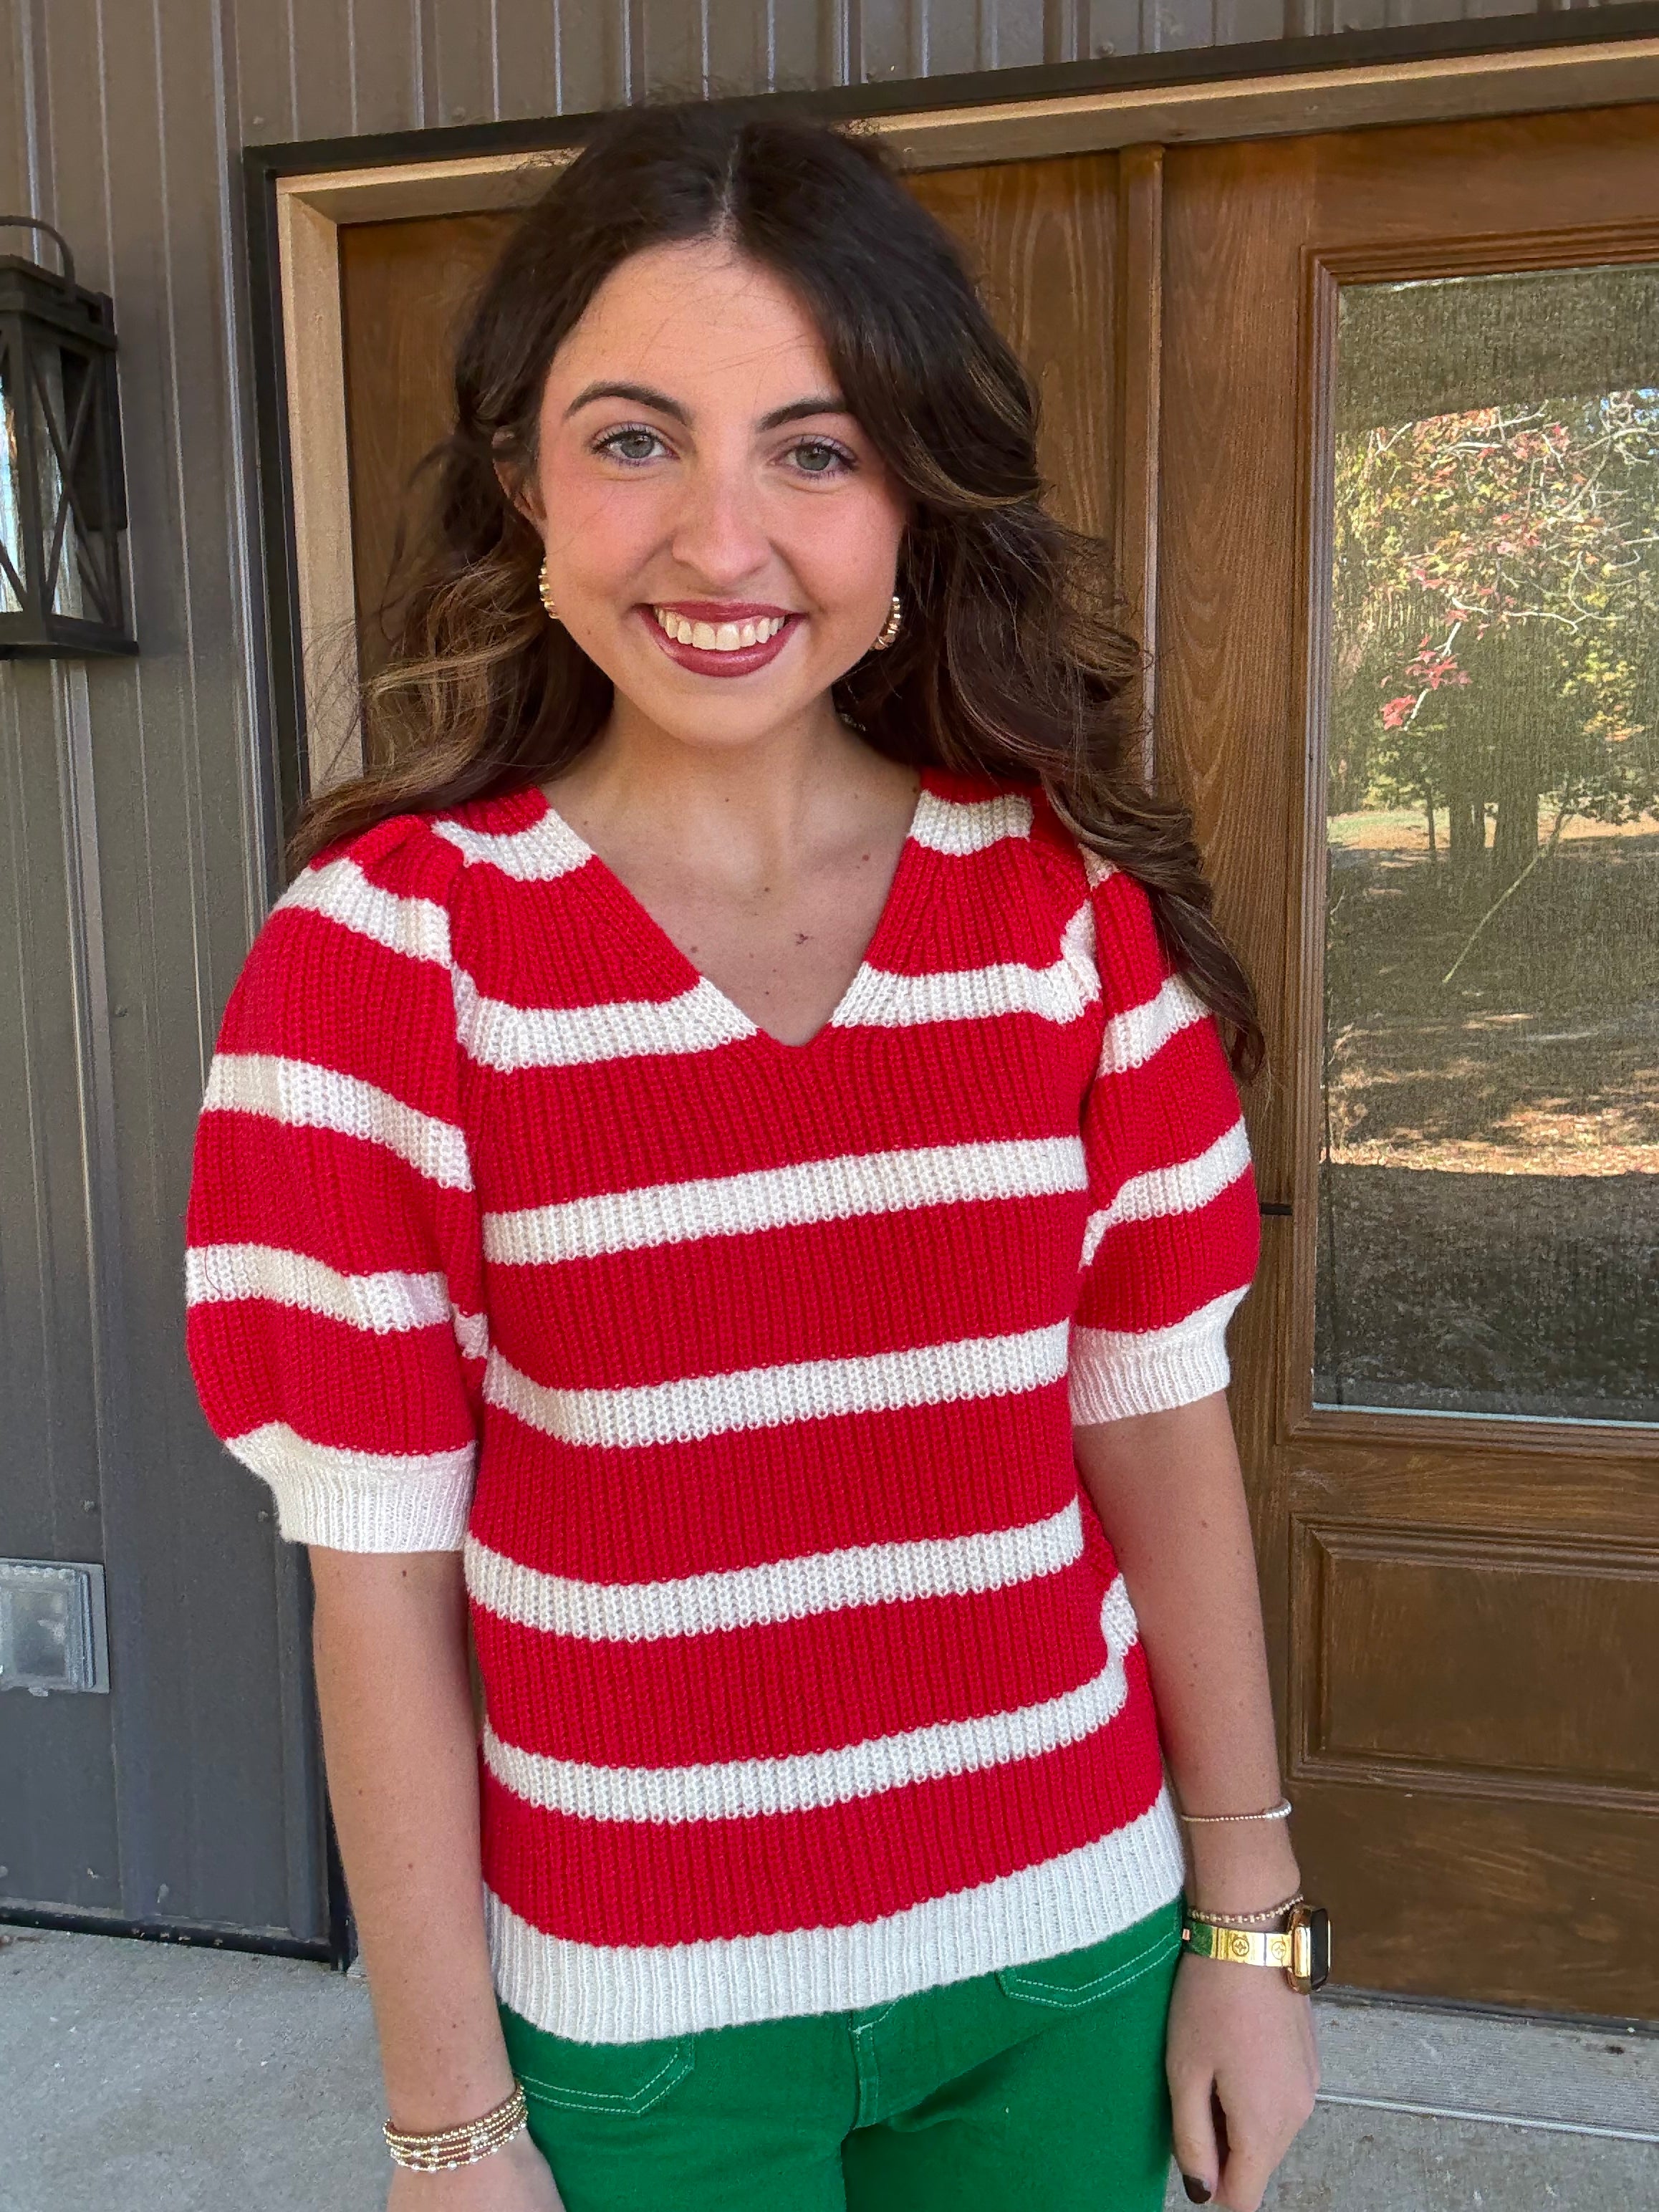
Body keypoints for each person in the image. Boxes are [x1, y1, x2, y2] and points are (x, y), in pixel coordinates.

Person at [185, 102, 1319, 2212]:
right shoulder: (376, 967)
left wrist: (1245, 1937)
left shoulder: (1064, 921)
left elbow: (1157, 1445)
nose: (722, 541)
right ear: (523, 482)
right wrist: (449, 2126)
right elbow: (380, 1594)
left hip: (1066, 1955)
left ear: (910, 505)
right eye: (635, 442)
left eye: (813, 449)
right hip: (637, 2023)